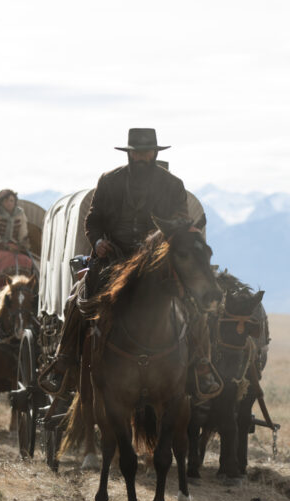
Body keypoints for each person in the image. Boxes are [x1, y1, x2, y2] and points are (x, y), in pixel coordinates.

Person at [39, 128, 194, 392]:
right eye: (137, 153)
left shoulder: (173, 186)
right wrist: (98, 242)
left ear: (155, 153)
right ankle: (64, 360)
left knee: (195, 300)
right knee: (80, 297)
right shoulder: (110, 181)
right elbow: (93, 220)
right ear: (129, 154)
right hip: (113, 258)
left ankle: (200, 366)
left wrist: (156, 243)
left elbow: (181, 222)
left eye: (146, 152)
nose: (142, 157)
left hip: (155, 263)